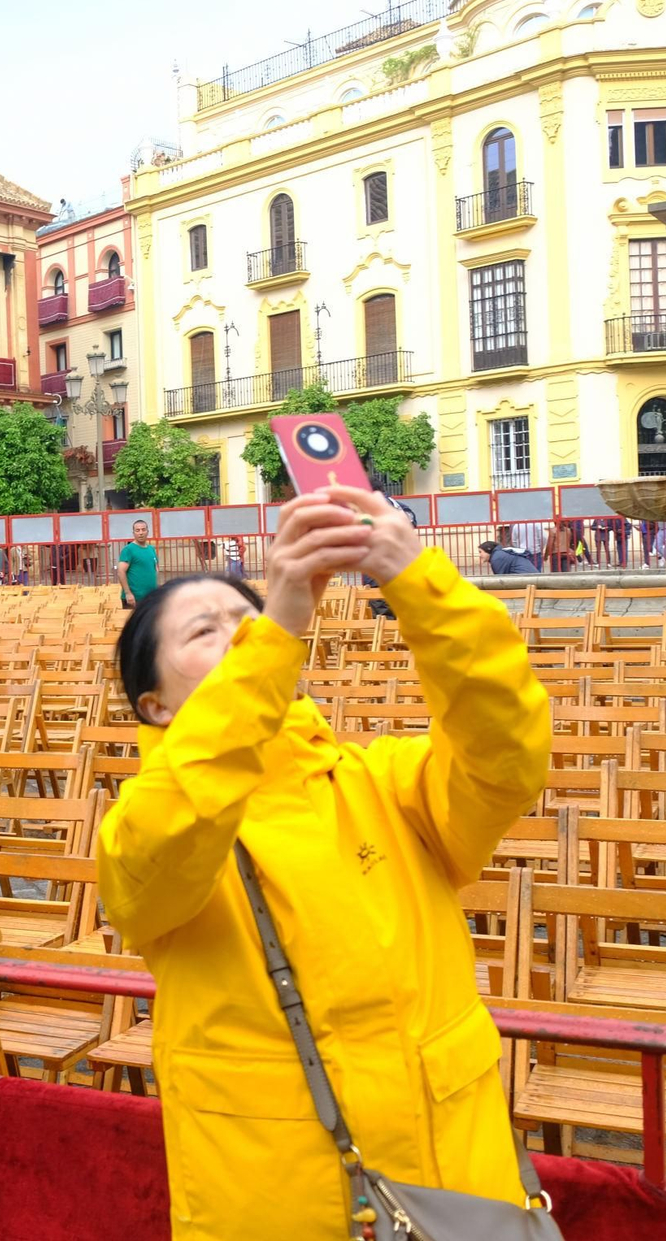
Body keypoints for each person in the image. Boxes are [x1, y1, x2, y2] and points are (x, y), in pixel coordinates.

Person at [97, 485, 549, 1238]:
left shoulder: (383, 782)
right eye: (207, 631)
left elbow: (508, 748)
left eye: (248, 620)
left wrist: (419, 582)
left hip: (457, 1187)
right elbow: (176, 820)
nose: (243, 638)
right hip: (285, 1202)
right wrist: (273, 630)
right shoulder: (140, 828)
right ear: (156, 706)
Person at [115, 520, 158, 610]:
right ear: (133, 533)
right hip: (133, 599)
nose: (141, 533)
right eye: (137, 530)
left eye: (143, 530)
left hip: (150, 598)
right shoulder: (128, 549)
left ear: (147, 531)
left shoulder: (151, 549)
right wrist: (128, 593)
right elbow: (121, 572)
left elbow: (155, 569)